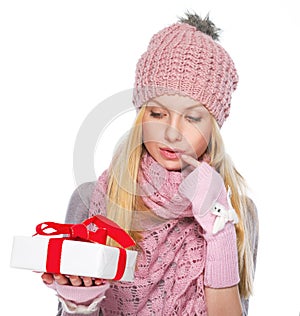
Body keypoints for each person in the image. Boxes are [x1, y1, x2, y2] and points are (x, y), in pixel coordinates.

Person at [42, 13, 259, 316]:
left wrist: (218, 228)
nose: (171, 133)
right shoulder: (91, 199)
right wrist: (78, 305)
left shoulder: (238, 211)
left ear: (213, 127)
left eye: (192, 118)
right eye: (157, 114)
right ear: (141, 116)